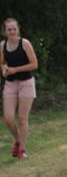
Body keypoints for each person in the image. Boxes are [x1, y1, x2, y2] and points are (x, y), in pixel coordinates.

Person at [1, 18, 38, 159]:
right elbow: (2, 63)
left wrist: (15, 69)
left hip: (26, 83)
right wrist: (4, 69)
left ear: (18, 30)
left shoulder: (25, 43)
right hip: (10, 84)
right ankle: (18, 139)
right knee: (8, 118)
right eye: (9, 29)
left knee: (22, 118)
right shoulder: (2, 45)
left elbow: (34, 64)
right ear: (5, 32)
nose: (12, 32)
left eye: (14, 29)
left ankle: (22, 150)